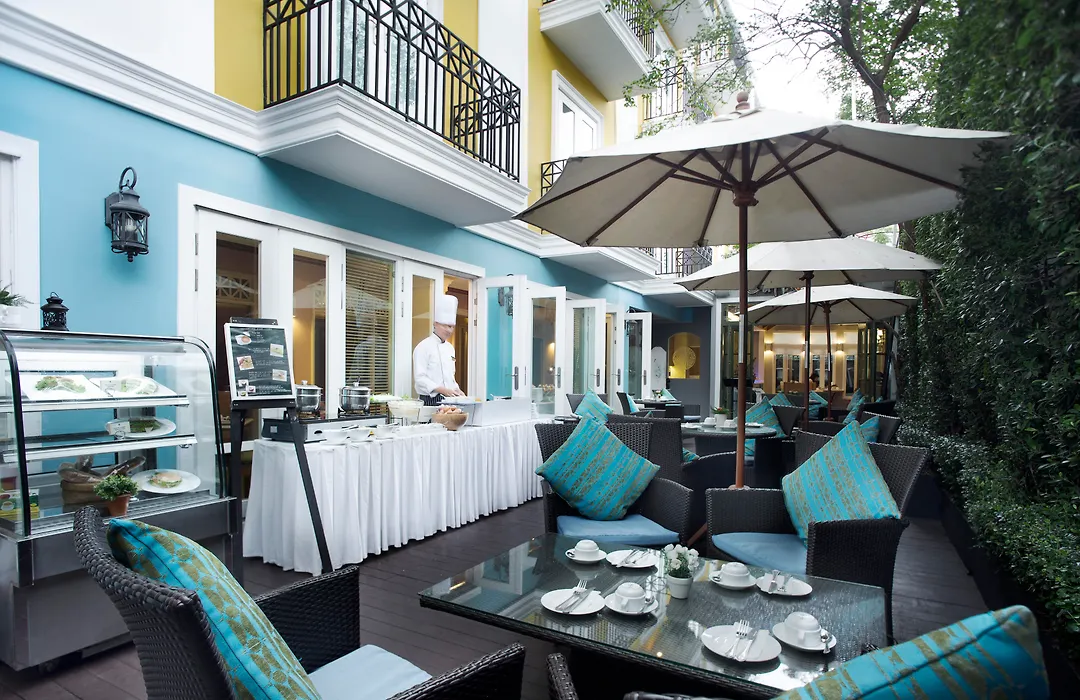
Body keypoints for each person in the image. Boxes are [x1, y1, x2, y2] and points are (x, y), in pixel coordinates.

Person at [413, 294, 465, 405]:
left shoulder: (450, 348)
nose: (449, 330)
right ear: (435, 324)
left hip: (449, 400)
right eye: (446, 326)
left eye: (452, 327)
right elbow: (420, 378)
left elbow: (450, 376)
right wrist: (441, 389)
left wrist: (457, 390)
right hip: (430, 400)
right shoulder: (423, 347)